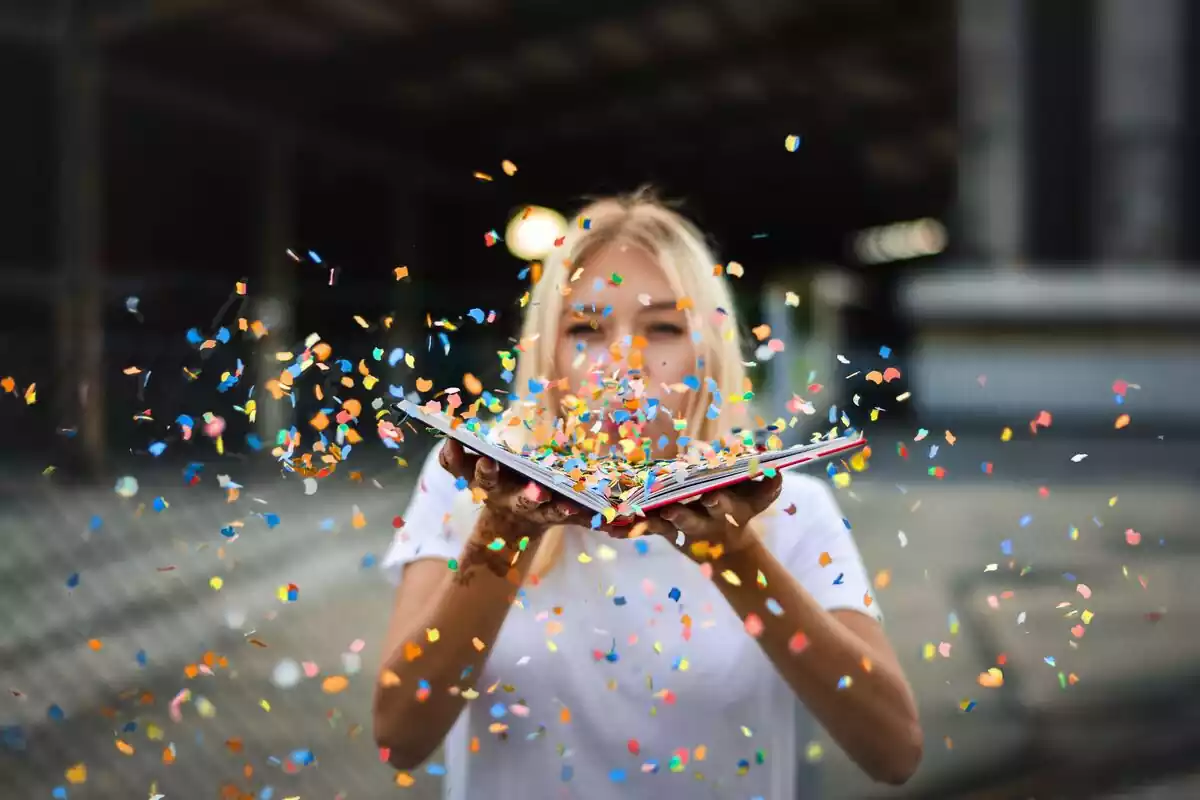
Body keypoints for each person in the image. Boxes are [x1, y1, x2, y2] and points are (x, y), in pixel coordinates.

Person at [373, 189, 921, 799]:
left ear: (707, 353)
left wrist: (734, 555)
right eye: (585, 327)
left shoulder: (793, 506)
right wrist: (505, 530)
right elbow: (400, 738)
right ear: (546, 350)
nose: (623, 362)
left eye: (662, 327)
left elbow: (893, 752)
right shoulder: (463, 485)